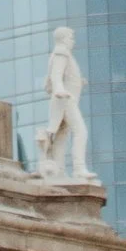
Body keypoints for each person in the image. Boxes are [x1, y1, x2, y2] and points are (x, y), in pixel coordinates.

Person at [36, 23, 90, 182]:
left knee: (61, 134)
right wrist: (59, 90)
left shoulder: (64, 53)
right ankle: (79, 169)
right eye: (71, 37)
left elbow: (65, 76)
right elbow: (56, 75)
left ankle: (58, 169)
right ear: (63, 39)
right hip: (65, 100)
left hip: (66, 99)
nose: (73, 40)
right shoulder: (61, 52)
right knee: (80, 131)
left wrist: (79, 82)